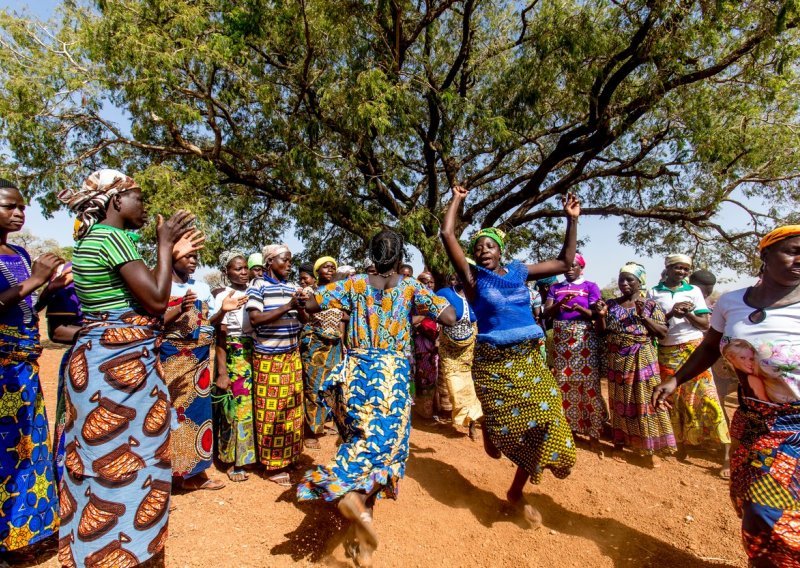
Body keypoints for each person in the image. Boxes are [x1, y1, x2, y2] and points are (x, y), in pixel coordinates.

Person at [57, 168, 199, 567]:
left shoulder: (91, 239)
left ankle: (95, 551)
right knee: (129, 465)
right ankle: (124, 554)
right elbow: (155, 301)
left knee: (97, 461)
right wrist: (165, 245)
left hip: (101, 360)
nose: (145, 205)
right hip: (122, 370)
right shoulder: (113, 239)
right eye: (138, 197)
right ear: (116, 200)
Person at [297, 229, 455, 567]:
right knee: (386, 450)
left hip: (356, 375)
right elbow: (450, 317)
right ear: (400, 258)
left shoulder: (354, 284)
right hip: (393, 380)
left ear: (372, 254)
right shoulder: (412, 287)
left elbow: (311, 304)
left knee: (357, 442)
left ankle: (360, 531)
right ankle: (358, 512)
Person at [653, 226, 800, 567]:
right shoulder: (731, 303)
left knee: (771, 513)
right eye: (792, 250)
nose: (799, 258)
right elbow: (708, 348)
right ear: (764, 256)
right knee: (754, 508)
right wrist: (675, 380)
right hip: (753, 421)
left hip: (795, 424)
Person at [440, 185, 579, 528]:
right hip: (492, 360)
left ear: (501, 250)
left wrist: (571, 221)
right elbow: (447, 233)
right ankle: (490, 426)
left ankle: (516, 491)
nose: (483, 251)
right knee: (501, 438)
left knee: (547, 422)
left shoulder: (519, 272)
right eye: (477, 248)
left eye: (489, 246)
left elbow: (564, 262)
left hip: (529, 357)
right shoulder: (473, 279)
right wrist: (457, 199)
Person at [0, 179, 62, 559]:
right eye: (10, 206)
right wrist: (35, 281)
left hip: (25, 369)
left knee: (30, 449)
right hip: (3, 374)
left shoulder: (20, 254)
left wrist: (48, 291)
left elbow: (22, 310)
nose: (19, 212)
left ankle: (26, 535)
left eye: (22, 206)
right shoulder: (26, 265)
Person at [161, 246, 244, 491]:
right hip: (170, 359)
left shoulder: (202, 288)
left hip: (199, 361)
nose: (193, 261)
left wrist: (222, 312)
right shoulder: (160, 285)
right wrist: (179, 309)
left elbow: (210, 324)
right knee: (171, 414)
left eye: (195, 257)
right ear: (171, 257)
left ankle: (195, 473)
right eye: (187, 256)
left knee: (198, 415)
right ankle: (171, 474)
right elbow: (153, 323)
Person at [648, 254, 730, 475]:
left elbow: (705, 324)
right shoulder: (654, 292)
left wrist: (689, 314)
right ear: (668, 268)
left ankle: (726, 455)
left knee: (708, 397)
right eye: (677, 268)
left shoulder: (693, 292)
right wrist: (670, 313)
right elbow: (653, 325)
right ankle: (681, 446)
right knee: (674, 399)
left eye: (686, 269)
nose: (682, 272)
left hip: (693, 348)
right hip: (666, 350)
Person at [594, 263, 676, 466]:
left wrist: (644, 318)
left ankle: (650, 448)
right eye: (622, 279)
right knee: (620, 400)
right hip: (617, 357)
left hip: (642, 356)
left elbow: (662, 332)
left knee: (646, 400)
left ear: (641, 282)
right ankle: (619, 443)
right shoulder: (611, 304)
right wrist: (601, 317)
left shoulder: (650, 306)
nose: (624, 283)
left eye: (630, 279)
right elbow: (602, 333)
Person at [246, 243, 307, 486]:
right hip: (269, 358)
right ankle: (272, 466)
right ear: (269, 262)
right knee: (271, 411)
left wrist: (300, 306)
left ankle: (289, 457)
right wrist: (288, 306)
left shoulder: (292, 288)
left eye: (291, 260)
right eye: (285, 260)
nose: (289, 265)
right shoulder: (258, 285)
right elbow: (255, 319)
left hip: (291, 355)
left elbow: (303, 319)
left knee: (292, 409)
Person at [543, 253, 607, 452]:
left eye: (574, 266)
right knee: (564, 382)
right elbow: (546, 313)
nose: (569, 269)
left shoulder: (590, 286)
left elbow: (597, 313)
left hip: (584, 339)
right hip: (562, 339)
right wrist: (561, 304)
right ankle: (570, 429)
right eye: (567, 267)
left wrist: (581, 308)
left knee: (589, 385)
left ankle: (594, 432)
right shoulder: (556, 288)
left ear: (581, 268)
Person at [214, 251, 256, 482]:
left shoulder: (253, 292)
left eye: (244, 268)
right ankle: (230, 460)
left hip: (252, 354)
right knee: (233, 409)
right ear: (226, 272)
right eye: (237, 269)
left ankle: (247, 456)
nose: (243, 272)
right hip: (232, 355)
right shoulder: (223, 294)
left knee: (249, 409)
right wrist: (222, 372)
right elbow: (220, 337)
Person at [40, 262, 83, 486]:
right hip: (83, 363)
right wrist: (102, 332)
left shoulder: (132, 268)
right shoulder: (70, 272)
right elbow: (57, 331)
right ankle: (69, 490)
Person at [299, 256, 346, 449]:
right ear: (317, 271)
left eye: (332, 267)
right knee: (313, 387)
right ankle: (312, 431)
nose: (329, 269)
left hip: (334, 343)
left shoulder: (340, 292)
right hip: (314, 344)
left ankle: (336, 423)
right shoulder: (310, 291)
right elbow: (305, 316)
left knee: (334, 386)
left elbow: (346, 316)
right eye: (325, 267)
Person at [436, 273, 483, 440]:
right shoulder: (444, 294)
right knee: (455, 387)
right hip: (449, 349)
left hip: (470, 347)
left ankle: (472, 424)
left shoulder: (479, 295)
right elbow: (432, 312)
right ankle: (461, 417)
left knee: (470, 385)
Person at [413, 271, 443, 418]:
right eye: (425, 282)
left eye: (431, 282)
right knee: (423, 377)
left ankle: (435, 409)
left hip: (436, 342)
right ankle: (424, 412)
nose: (428, 285)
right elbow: (412, 321)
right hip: (422, 342)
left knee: (436, 376)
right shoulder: (414, 300)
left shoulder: (438, 299)